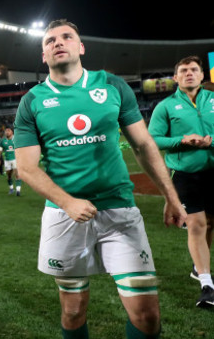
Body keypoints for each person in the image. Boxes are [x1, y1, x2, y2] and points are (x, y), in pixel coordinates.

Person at [14, 19, 187, 338]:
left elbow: (144, 144)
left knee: (147, 316)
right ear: (44, 55)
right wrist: (67, 202)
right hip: (63, 217)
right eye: (50, 40)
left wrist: (172, 198)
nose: (58, 42)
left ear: (81, 47)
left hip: (119, 211)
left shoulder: (111, 85)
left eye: (67, 37)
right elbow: (26, 167)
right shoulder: (32, 101)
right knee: (73, 310)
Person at [148, 55, 214, 308]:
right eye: (183, 70)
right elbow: (153, 139)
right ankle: (207, 285)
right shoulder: (165, 107)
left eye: (194, 70)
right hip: (186, 174)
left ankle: (199, 269)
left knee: (210, 222)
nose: (189, 73)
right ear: (175, 78)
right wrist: (181, 141)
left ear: (201, 76)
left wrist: (211, 141)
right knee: (197, 223)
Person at [0, 128, 22, 195]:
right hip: (7, 160)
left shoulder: (16, 139)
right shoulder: (2, 141)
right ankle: (11, 189)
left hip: (16, 159)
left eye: (8, 131)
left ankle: (18, 190)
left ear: (12, 132)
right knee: (9, 175)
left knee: (17, 174)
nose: (7, 132)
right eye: (6, 131)